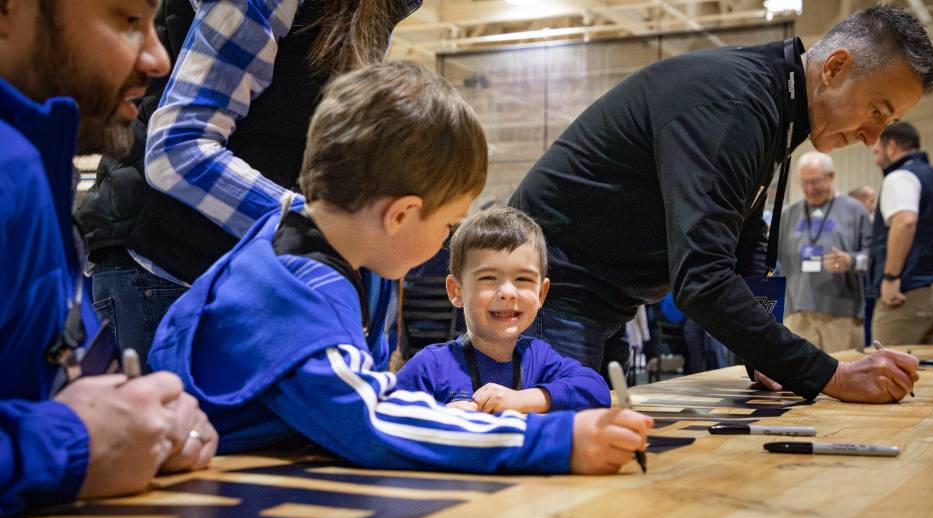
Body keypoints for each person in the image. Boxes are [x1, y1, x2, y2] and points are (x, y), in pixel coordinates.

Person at [149, 61, 651, 476]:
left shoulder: (321, 249)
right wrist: (556, 440)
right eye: (448, 223)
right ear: (401, 215)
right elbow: (372, 419)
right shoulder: (297, 287)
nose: (445, 238)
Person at [510, 6, 933, 404]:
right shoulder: (738, 105)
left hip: (603, 296)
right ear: (835, 67)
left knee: (595, 432)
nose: (873, 137)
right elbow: (702, 279)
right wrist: (830, 375)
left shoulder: (773, 105)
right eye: (876, 111)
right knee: (553, 440)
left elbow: (746, 235)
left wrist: (768, 353)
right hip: (556, 287)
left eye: (888, 122)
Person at [76, 0, 421, 371]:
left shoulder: (372, 12)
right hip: (167, 266)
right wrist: (320, 232)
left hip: (232, 272)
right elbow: (178, 150)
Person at [0, 0, 217, 518]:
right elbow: (68, 430)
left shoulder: (38, 163)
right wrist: (68, 445)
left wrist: (140, 418)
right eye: (127, 21)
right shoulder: (11, 170)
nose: (158, 59)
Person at [395, 207, 611, 413]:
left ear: (541, 294)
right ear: (456, 291)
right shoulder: (432, 366)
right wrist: (438, 414)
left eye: (522, 279)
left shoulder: (538, 357)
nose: (508, 292)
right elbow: (386, 411)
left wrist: (521, 400)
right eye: (488, 278)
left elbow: (596, 390)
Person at [869, 121, 933, 345]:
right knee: (917, 365)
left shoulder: (900, 177)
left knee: (885, 363)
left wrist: (890, 277)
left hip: (907, 293)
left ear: (891, 147)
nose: (875, 159)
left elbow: (905, 222)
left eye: (876, 152)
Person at [778, 152, 871, 352]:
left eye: (815, 182)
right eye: (804, 183)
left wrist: (851, 261)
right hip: (796, 315)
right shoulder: (788, 214)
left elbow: (873, 258)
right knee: (798, 371)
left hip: (842, 317)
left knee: (844, 369)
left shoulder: (855, 211)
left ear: (831, 176)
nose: (810, 189)